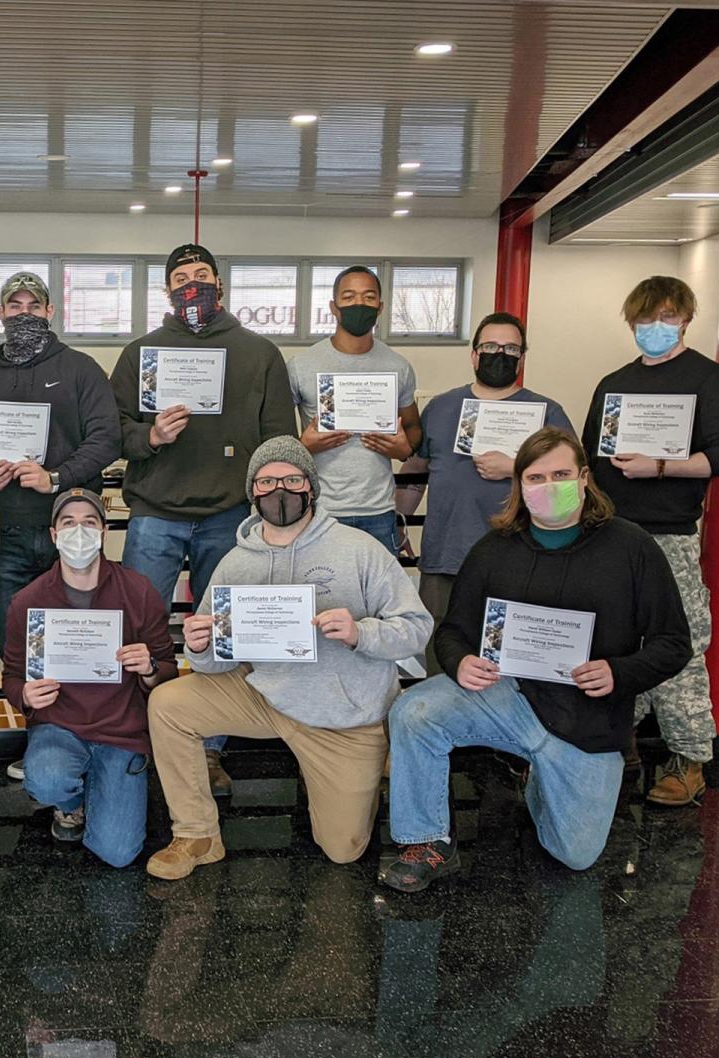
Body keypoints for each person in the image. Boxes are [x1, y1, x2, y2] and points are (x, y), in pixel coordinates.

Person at [380, 429, 692, 891]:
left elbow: (673, 642)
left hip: (588, 720)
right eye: (536, 477)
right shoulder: (494, 549)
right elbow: (453, 631)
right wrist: (461, 660)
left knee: (575, 854)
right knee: (415, 712)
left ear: (585, 478)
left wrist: (619, 672)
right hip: (509, 699)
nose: (549, 486)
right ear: (520, 486)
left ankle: (540, 778)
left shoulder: (632, 548)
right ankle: (426, 840)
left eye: (561, 474)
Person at [145, 437, 432, 880]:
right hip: (265, 697)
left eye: (292, 479)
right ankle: (197, 833)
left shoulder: (359, 550)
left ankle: (367, 769)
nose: (279, 489)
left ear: (311, 488)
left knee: (343, 850)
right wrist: (199, 648)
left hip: (342, 717)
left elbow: (417, 627)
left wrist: (360, 633)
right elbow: (217, 660)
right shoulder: (236, 563)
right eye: (266, 481)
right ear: (252, 492)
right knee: (168, 704)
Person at [109, 243, 299, 796]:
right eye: (182, 278)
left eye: (202, 275)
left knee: (219, 635)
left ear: (220, 284)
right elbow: (114, 428)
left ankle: (211, 746)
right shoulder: (142, 353)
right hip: (154, 516)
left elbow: (278, 441)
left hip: (229, 517)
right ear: (167, 291)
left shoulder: (258, 353)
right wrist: (150, 436)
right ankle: (139, 737)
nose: (193, 284)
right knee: (138, 629)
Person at [581, 276, 719, 807]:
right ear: (630, 322)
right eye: (644, 320)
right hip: (611, 532)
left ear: (684, 318)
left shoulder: (710, 380)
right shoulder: (614, 383)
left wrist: (662, 467)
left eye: (666, 318)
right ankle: (619, 742)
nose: (654, 329)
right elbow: (590, 456)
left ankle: (689, 757)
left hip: (672, 534)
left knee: (680, 646)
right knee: (611, 640)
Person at [2, 488, 176, 867]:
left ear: (103, 532)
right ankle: (71, 803)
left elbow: (167, 668)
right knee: (46, 777)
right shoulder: (27, 602)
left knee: (117, 853)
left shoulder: (138, 590)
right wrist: (27, 696)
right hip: (59, 726)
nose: (78, 531)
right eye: (68, 523)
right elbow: (12, 677)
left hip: (121, 731)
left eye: (88, 522)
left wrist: (147, 668)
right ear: (53, 534)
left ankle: (107, 784)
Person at [400, 313, 572, 669]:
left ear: (522, 357)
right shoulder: (442, 407)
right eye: (491, 346)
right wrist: (399, 519)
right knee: (441, 659)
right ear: (475, 354)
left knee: (510, 663)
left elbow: (572, 487)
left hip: (521, 560)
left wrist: (516, 467)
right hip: (446, 556)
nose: (500, 354)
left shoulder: (547, 413)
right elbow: (417, 468)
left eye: (511, 348)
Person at [0, 271, 121, 656]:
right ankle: (33, 714)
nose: (25, 314)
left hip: (73, 530)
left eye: (34, 306)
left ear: (50, 310)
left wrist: (56, 478)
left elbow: (107, 439)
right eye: (15, 306)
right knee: (15, 645)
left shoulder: (81, 369)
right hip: (14, 533)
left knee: (81, 642)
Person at [290, 266, 421, 556]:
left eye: (368, 297)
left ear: (380, 307)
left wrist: (404, 448)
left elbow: (413, 427)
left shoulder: (397, 365)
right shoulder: (302, 365)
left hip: (378, 510)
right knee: (321, 596)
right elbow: (277, 437)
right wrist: (303, 446)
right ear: (334, 308)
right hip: (319, 509)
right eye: (348, 297)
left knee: (378, 600)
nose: (358, 305)